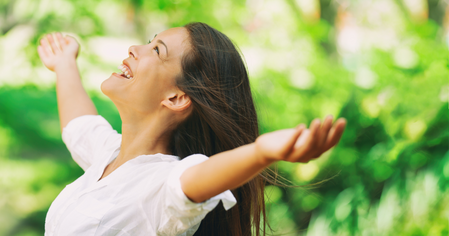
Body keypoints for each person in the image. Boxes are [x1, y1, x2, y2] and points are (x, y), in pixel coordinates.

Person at [37, 22, 347, 236]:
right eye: (149, 42)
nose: (135, 48)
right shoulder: (108, 155)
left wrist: (262, 152)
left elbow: (196, 180)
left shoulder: (163, 183)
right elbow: (79, 125)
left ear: (176, 97)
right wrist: (65, 63)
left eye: (156, 50)